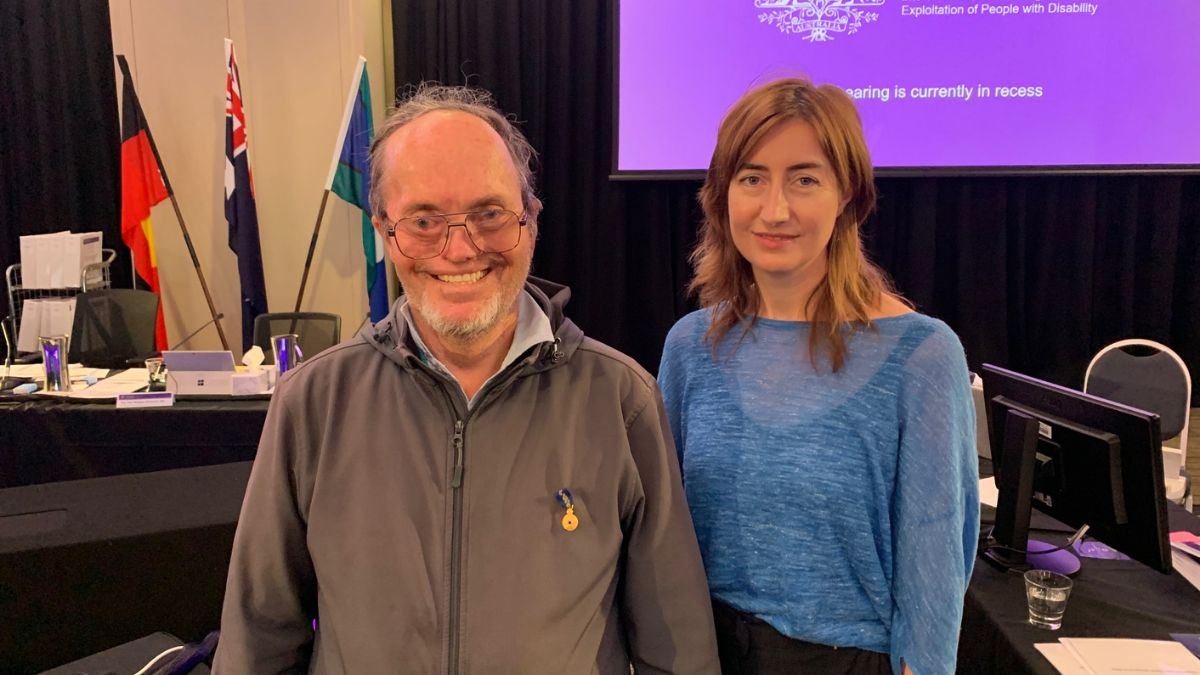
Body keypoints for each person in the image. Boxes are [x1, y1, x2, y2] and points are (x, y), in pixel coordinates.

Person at [214, 84, 719, 674]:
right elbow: (259, 641)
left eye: (488, 214)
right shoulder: (313, 404)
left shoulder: (621, 400)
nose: (460, 248)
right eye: (424, 219)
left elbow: (676, 649)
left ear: (530, 220)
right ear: (384, 230)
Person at [657, 78, 979, 675]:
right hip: (699, 651)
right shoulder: (689, 348)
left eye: (805, 179)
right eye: (751, 178)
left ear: (848, 195)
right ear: (721, 195)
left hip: (845, 660)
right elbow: (661, 531)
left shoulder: (922, 356)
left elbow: (936, 561)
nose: (774, 209)